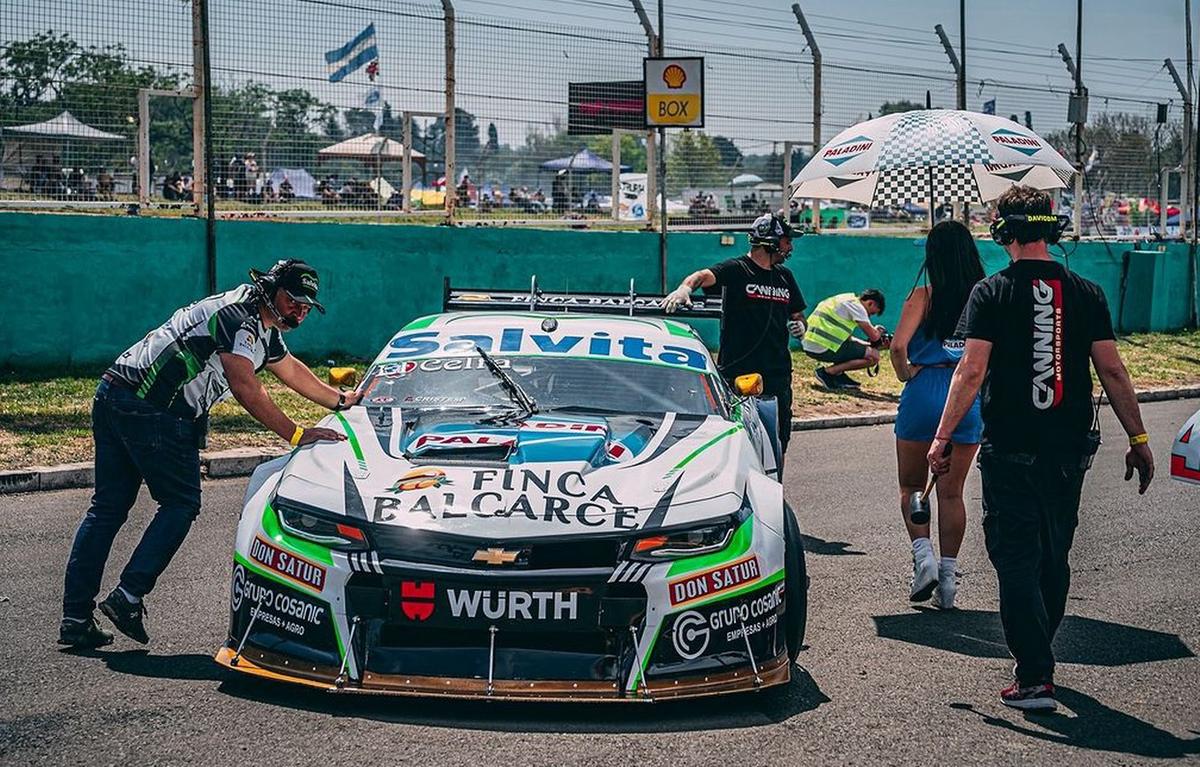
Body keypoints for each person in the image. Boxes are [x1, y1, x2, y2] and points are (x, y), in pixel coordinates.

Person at [929, 185, 1154, 711]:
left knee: (1015, 559)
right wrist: (1139, 438)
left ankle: (1034, 675)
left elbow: (971, 369)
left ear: (1004, 231)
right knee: (1053, 556)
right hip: (1070, 450)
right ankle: (1038, 656)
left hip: (1011, 449)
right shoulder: (1086, 292)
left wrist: (942, 437)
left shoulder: (990, 292)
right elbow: (1113, 370)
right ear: (1049, 228)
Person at [59, 260, 364, 649]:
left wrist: (341, 400)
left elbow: (291, 370)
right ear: (270, 290)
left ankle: (75, 618)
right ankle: (128, 596)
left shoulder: (259, 322)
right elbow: (246, 387)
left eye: (307, 306)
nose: (299, 311)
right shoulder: (238, 318)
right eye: (293, 300)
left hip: (115, 391)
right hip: (154, 408)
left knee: (107, 509)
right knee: (180, 503)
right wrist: (297, 434)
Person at [661, 212, 806, 471]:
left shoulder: (785, 277)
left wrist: (800, 326)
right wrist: (685, 288)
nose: (790, 247)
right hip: (737, 372)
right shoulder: (736, 269)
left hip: (777, 373)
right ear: (770, 241)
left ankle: (774, 484)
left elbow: (797, 314)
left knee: (778, 438)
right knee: (735, 436)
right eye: (786, 241)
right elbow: (702, 276)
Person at [889, 221, 985, 609]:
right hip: (965, 393)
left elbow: (898, 347)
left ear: (933, 256)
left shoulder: (922, 296)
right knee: (952, 491)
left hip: (924, 390)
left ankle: (923, 556)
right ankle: (947, 580)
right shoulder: (984, 295)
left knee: (911, 485)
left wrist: (907, 373)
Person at [802, 289, 888, 389]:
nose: (868, 317)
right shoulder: (858, 307)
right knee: (874, 356)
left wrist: (868, 345)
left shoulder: (844, 300)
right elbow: (874, 336)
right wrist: (879, 332)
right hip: (823, 347)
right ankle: (827, 373)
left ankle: (838, 375)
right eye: (871, 313)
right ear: (870, 303)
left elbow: (849, 340)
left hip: (811, 344)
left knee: (865, 351)